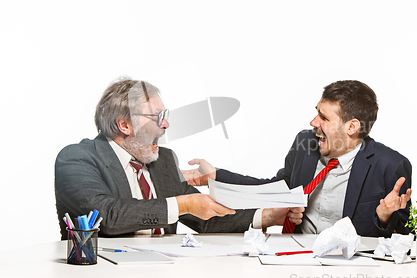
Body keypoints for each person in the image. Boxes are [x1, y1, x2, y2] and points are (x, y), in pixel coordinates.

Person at [55, 78, 303, 239]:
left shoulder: (163, 160)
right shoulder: (77, 159)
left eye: (166, 114)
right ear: (124, 125)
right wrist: (182, 204)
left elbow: (202, 218)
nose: (166, 124)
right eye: (157, 116)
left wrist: (268, 216)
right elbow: (107, 216)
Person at [183, 80, 412, 237]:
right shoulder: (306, 145)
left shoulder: (390, 166)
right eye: (316, 112)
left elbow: (403, 241)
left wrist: (383, 218)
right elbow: (274, 189)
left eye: (324, 117)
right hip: (295, 256)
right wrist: (215, 176)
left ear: (352, 126)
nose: (313, 122)